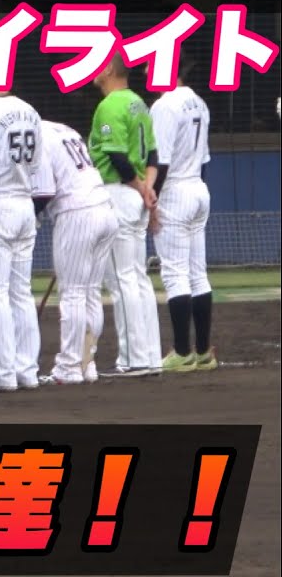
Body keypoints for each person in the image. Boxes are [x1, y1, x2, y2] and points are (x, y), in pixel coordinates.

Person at [88, 55, 163, 376]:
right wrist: (147, 189)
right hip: (136, 195)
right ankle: (150, 356)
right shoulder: (139, 103)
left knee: (122, 280)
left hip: (119, 193)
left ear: (108, 70)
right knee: (138, 278)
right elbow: (154, 156)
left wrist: (139, 187)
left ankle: (133, 359)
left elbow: (117, 157)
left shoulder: (110, 105)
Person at [32, 120, 118, 384]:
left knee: (72, 293)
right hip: (105, 208)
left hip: (77, 212)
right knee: (90, 292)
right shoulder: (65, 129)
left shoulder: (38, 135)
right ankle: (87, 363)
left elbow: (44, 192)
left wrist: (31, 218)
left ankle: (69, 366)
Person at [0, 74, 44, 391]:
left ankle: (3, 371)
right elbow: (37, 164)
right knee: (21, 291)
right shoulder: (31, 111)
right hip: (25, 202)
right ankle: (27, 369)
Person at [150, 64, 216, 371]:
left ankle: (181, 352)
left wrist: (151, 201)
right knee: (197, 273)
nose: (148, 71)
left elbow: (161, 162)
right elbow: (204, 161)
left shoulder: (165, 105)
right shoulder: (198, 101)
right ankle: (203, 352)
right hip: (198, 188)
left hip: (175, 191)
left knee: (175, 274)